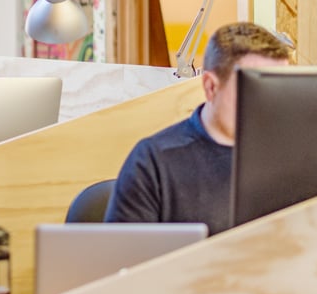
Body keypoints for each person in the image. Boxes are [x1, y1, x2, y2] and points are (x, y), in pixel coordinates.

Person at [104, 22, 293, 235]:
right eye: (253, 88)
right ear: (211, 87)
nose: (266, 103)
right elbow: (123, 253)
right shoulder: (153, 162)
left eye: (275, 88)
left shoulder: (291, 158)